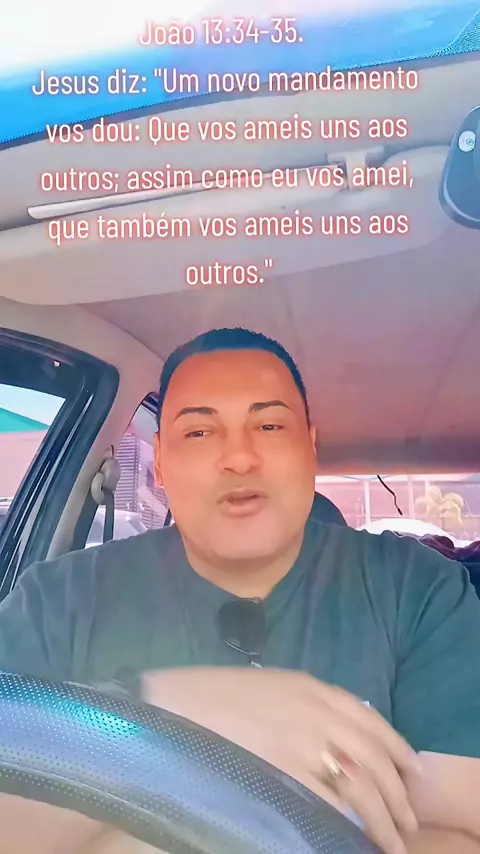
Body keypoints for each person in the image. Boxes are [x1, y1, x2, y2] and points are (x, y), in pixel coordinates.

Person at [0, 327, 479, 854]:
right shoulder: (56, 600)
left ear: (310, 448)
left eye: (269, 425)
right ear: (160, 463)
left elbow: (462, 828)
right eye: (199, 432)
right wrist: (160, 712)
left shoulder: (419, 590)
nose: (239, 457)